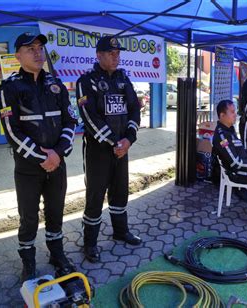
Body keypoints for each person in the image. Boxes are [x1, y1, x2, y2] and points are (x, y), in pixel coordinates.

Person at [0, 33, 78, 281]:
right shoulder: (9, 88)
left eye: (40, 47)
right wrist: (41, 157)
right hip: (28, 169)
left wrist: (58, 153)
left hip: (57, 165)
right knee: (29, 217)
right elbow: (12, 130)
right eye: (30, 48)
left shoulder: (56, 83)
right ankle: (29, 263)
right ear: (18, 55)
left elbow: (70, 120)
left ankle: (57, 255)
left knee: (55, 212)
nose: (37, 52)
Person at [76, 36, 142, 263]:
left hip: (122, 149)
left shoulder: (124, 78)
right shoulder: (86, 81)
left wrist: (129, 140)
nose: (116, 57)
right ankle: (90, 243)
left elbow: (135, 109)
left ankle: (121, 231)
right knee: (95, 196)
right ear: (99, 55)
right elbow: (90, 117)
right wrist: (115, 142)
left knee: (120, 191)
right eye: (111, 53)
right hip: (99, 151)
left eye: (118, 53)